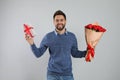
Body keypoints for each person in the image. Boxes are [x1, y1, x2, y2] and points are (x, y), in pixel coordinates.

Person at [25, 10, 87, 80]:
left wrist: (87, 52)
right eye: (57, 20)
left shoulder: (72, 36)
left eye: (61, 20)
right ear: (54, 22)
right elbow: (38, 54)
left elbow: (75, 53)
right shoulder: (48, 37)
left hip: (67, 75)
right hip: (52, 75)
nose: (59, 22)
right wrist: (31, 43)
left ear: (65, 21)